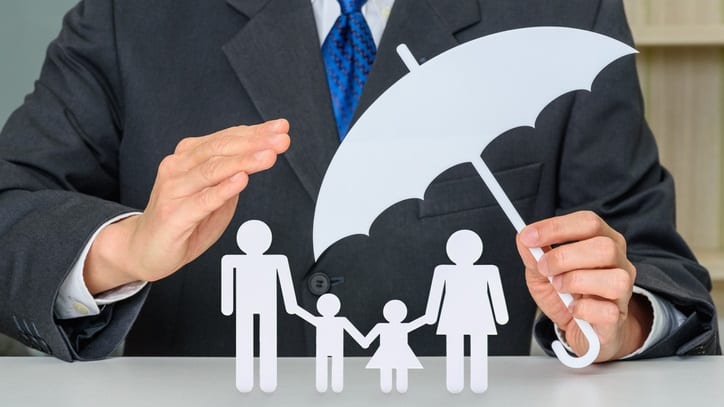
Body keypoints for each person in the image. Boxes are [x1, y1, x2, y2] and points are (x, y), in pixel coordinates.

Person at [0, 0, 719, 364]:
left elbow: (659, 268)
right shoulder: (135, 14)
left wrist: (621, 321)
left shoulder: (563, 11)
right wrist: (124, 248)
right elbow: (12, 208)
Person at [422, 230, 509, 394]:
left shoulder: (488, 271)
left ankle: (477, 382)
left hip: (470, 316)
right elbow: (436, 295)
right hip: (463, 316)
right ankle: (458, 383)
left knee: (476, 349)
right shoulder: (443, 271)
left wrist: (432, 316)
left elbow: (496, 293)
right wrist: (501, 316)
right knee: (459, 348)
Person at [220, 220, 302, 393]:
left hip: (266, 305)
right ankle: (245, 380)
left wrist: (291, 304)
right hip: (246, 305)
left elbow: (285, 283)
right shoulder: (232, 261)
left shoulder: (277, 260)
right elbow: (227, 282)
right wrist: (227, 305)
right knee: (245, 341)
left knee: (267, 341)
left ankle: (268, 380)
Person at [295, 293, 366, 393]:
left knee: (329, 365)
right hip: (328, 348)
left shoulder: (325, 321)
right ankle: (326, 386)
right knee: (330, 365)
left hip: (328, 348)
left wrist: (364, 341)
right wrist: (364, 341)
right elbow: (356, 334)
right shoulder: (335, 321)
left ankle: (328, 386)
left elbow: (298, 311)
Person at [360, 300, 426, 394]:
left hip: (392, 353)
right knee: (392, 372)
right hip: (394, 353)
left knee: (394, 372)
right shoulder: (397, 327)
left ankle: (394, 387)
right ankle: (393, 387)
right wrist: (427, 318)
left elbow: (366, 341)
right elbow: (421, 321)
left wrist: (363, 342)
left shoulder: (386, 327)